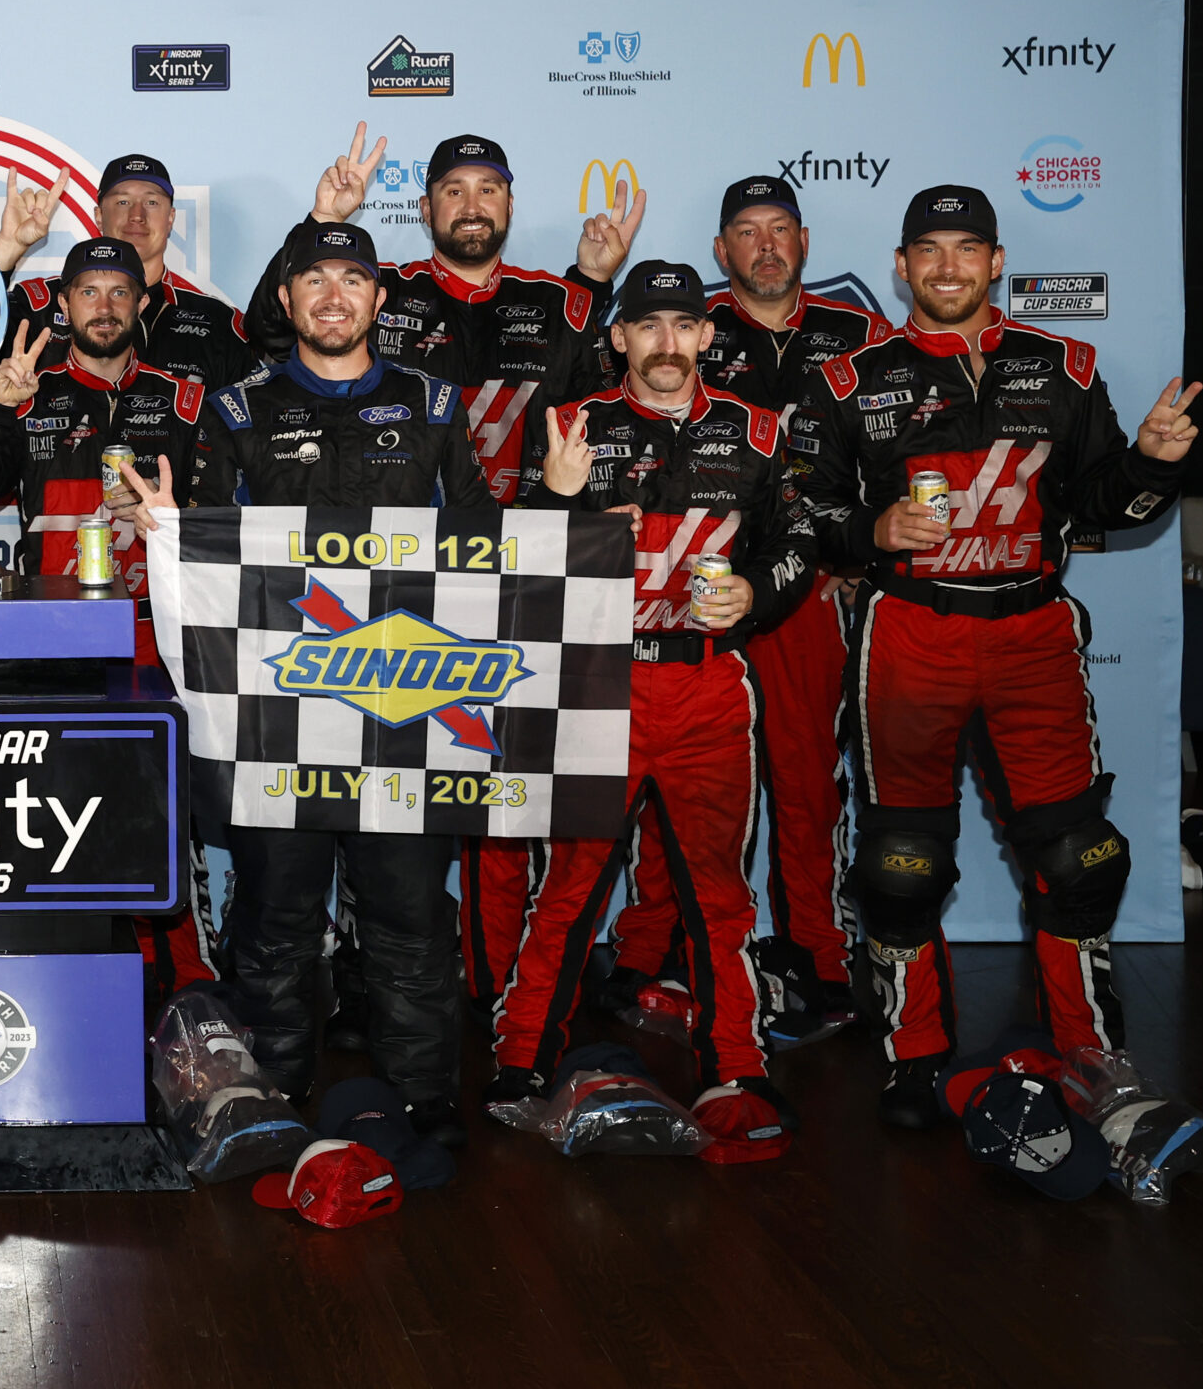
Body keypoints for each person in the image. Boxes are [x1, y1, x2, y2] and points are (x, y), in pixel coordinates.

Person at [789, 186, 1199, 1127]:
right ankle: (915, 1055)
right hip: (912, 633)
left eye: (966, 249)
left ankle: (1093, 1056)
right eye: (928, 250)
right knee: (902, 866)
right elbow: (802, 514)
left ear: (996, 261)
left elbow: (1106, 507)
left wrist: (1154, 463)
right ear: (901, 266)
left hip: (1033, 635)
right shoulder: (850, 379)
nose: (946, 267)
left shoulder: (1064, 366)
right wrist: (868, 526)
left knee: (1080, 857)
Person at [248, 128, 641, 1037]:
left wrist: (591, 290)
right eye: (452, 190)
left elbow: (601, 406)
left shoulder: (559, 298)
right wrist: (324, 223)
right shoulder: (382, 291)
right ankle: (366, 987)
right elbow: (277, 338)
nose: (472, 205)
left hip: (525, 564)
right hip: (396, 583)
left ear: (510, 204)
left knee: (492, 797)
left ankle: (494, 1001)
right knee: (363, 789)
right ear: (424, 209)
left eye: (488, 190)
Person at [143, 219, 488, 1146]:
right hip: (280, 714)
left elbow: (488, 556)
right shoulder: (238, 409)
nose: (334, 297)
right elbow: (208, 569)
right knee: (275, 924)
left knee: (411, 925)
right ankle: (272, 1102)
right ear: (286, 300)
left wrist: (568, 507)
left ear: (380, 299)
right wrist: (173, 528)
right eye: (314, 282)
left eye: (352, 280)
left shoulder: (436, 404)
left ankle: (424, 1107)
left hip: (406, 711)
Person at [495, 260, 816, 1161]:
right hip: (597, 685)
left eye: (684, 326)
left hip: (708, 685)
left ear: (708, 336)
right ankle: (522, 1058)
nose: (667, 344)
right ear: (620, 339)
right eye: (648, 327)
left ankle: (737, 1064)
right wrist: (559, 501)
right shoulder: (570, 427)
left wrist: (752, 591)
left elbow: (799, 539)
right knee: (569, 887)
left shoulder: (756, 431)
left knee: (718, 893)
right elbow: (511, 566)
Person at [603, 175, 890, 1040]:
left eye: (780, 231)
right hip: (679, 589)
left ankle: (816, 954)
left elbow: (887, 450)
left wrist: (850, 552)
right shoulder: (687, 326)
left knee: (806, 778)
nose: (765, 248)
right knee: (670, 782)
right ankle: (654, 946)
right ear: (721, 251)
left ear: (804, 241)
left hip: (796, 590)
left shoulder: (857, 334)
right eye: (745, 233)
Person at [0, 235, 218, 999]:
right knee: (57, 806)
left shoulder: (185, 396)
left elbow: (227, 514)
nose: (103, 307)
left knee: (164, 812)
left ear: (141, 305)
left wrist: (176, 517)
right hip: (55, 640)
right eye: (88, 293)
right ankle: (69, 971)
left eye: (119, 292)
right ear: (65, 304)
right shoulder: (28, 389)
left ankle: (181, 979)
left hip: (164, 634)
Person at [0, 154, 258, 392]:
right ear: (98, 215)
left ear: (171, 218)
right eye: (122, 201)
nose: (137, 215)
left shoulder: (216, 322)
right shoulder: (40, 306)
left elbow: (248, 432)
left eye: (152, 202)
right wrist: (7, 248)